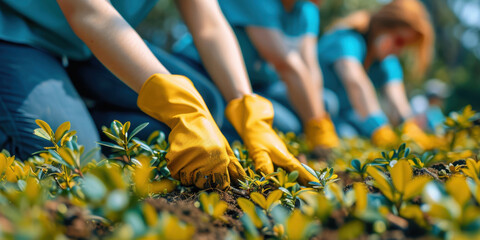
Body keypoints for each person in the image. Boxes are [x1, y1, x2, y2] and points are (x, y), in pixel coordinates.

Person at [0, 0, 317, 189]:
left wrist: (247, 108)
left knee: (210, 106)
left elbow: (208, 23)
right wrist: (180, 109)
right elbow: (87, 11)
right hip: (19, 33)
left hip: (89, 48)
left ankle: (74, 107)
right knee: (72, 162)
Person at [173, 0, 340, 155]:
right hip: (207, 73)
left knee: (327, 101)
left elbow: (309, 67)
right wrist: (313, 122)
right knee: (288, 126)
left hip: (259, 84)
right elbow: (285, 64)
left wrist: (319, 122)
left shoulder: (306, 10)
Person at [316, 0, 435, 149]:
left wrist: (409, 125)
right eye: (398, 41)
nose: (398, 51)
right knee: (330, 104)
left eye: (404, 46)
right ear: (382, 26)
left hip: (340, 117)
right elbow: (355, 81)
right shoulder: (347, 40)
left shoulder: (386, 61)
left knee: (352, 133)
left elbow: (397, 97)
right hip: (311, 109)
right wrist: (379, 127)